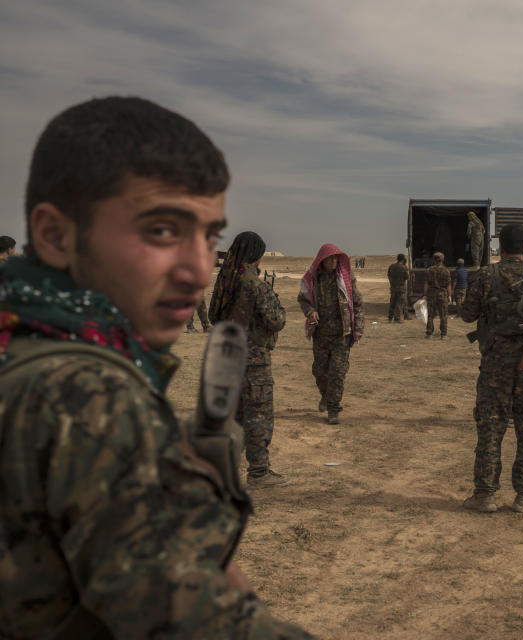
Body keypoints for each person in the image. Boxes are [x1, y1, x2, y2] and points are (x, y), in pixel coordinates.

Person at [0, 96, 311, 638]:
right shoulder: (86, 396)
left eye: (208, 237)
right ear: (55, 235)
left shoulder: (23, 343)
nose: (195, 270)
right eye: (163, 231)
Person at [460, 224, 523, 513]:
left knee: (490, 429)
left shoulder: (485, 276)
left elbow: (468, 316)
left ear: (500, 247)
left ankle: (485, 495)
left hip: (495, 367)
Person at [209, 231, 287, 488]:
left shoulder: (226, 281)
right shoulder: (254, 284)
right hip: (253, 361)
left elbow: (213, 315)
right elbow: (277, 320)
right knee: (258, 416)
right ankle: (259, 473)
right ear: (257, 256)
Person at [298, 243, 364, 425]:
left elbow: (357, 305)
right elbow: (302, 299)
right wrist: (310, 311)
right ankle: (325, 397)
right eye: (330, 258)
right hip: (320, 335)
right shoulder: (313, 279)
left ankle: (333, 409)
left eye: (336, 258)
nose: (334, 261)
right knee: (320, 372)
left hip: (342, 335)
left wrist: (358, 328)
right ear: (322, 260)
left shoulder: (345, 279)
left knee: (337, 373)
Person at [423, 251, 452, 338]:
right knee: (443, 315)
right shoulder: (446, 271)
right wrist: (449, 295)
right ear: (442, 259)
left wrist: (425, 295)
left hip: (431, 294)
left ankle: (429, 334)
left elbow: (426, 284)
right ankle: (443, 334)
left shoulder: (429, 270)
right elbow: (448, 285)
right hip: (442, 295)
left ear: (434, 259)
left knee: (430, 315)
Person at [387, 253, 409, 322]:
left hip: (393, 287)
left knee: (392, 302)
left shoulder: (392, 266)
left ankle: (390, 318)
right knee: (399, 303)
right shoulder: (404, 267)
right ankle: (397, 318)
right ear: (403, 259)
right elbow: (407, 277)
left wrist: (392, 282)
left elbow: (388, 275)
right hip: (401, 288)